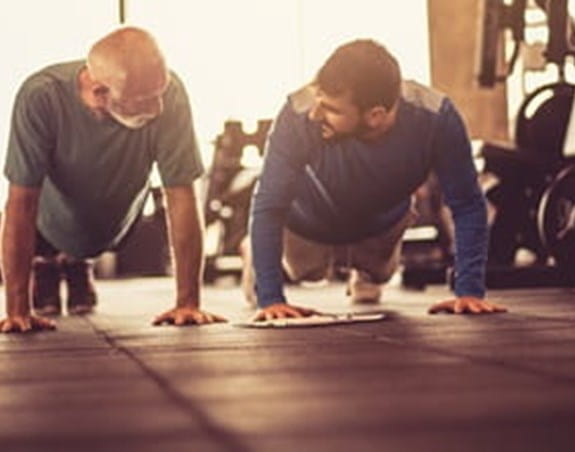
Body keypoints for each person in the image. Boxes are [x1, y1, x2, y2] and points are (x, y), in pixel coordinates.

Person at [243, 39, 507, 320]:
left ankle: (363, 271)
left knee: (379, 277)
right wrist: (269, 298)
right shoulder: (298, 114)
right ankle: (253, 252)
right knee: (307, 272)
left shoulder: (436, 118)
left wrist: (469, 292)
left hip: (380, 223)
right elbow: (269, 204)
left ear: (375, 116)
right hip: (308, 223)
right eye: (319, 101)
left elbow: (467, 203)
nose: (316, 114)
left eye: (331, 109)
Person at [0, 26, 226, 333]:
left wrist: (189, 303)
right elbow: (21, 202)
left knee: (89, 245)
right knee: (45, 273)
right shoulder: (41, 96)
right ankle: (51, 263)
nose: (158, 108)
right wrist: (17, 310)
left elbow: (182, 195)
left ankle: (75, 262)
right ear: (99, 93)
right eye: (145, 100)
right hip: (50, 220)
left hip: (117, 219)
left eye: (160, 93)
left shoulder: (169, 94)